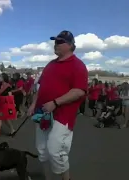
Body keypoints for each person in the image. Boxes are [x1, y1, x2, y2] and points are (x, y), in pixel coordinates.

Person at [28, 30, 88, 180]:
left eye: (60, 42)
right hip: (42, 113)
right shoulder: (50, 64)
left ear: (70, 45)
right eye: (55, 42)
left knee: (56, 151)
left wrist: (56, 102)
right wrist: (33, 104)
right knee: (42, 151)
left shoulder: (78, 65)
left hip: (62, 116)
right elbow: (41, 87)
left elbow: (79, 90)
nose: (56, 45)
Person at [0, 73, 16, 139]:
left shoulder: (8, 86)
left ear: (4, 78)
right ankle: (12, 130)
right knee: (5, 119)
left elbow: (10, 95)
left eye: (1, 77)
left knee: (0, 118)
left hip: (5, 104)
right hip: (0, 103)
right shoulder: (0, 85)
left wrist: (12, 104)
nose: (0, 78)